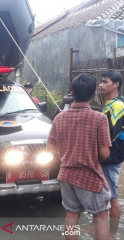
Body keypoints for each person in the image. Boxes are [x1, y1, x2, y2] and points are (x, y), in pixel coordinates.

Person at [47, 73, 111, 240]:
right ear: (94, 94)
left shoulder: (59, 118)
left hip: (66, 175)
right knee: (101, 216)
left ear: (72, 93)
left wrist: (66, 156)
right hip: (90, 175)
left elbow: (49, 148)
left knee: (71, 215)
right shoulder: (100, 118)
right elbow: (104, 154)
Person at [99, 70, 124, 240]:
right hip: (107, 157)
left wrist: (102, 154)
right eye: (100, 81)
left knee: (113, 197)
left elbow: (111, 135)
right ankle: (98, 228)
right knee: (103, 195)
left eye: (105, 82)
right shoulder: (110, 104)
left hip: (111, 157)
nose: (101, 85)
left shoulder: (117, 106)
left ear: (116, 85)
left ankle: (113, 234)